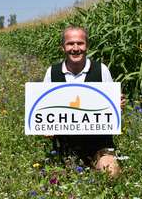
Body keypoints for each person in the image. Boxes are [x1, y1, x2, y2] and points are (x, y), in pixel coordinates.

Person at [43, 26, 124, 177]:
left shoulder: (101, 70)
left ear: (87, 45)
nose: (75, 48)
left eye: (80, 43)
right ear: (62, 47)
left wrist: (117, 106)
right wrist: (47, 129)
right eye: (70, 43)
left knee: (112, 174)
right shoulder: (52, 72)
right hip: (66, 147)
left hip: (99, 145)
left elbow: (112, 111)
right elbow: (46, 109)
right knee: (53, 181)